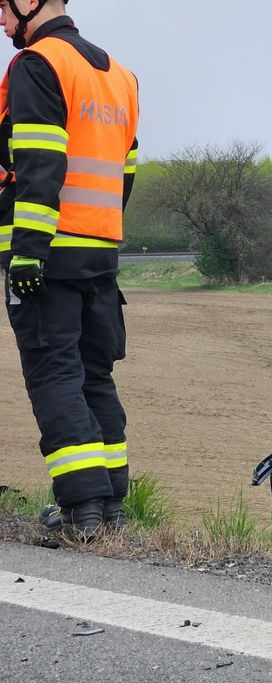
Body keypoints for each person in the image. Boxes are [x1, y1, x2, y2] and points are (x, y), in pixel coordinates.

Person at [0, 0, 139, 541]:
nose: (3, 23)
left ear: (30, 2)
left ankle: (82, 512)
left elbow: (41, 162)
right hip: (98, 255)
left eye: (5, 10)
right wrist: (97, 229)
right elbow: (126, 169)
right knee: (95, 375)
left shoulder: (38, 63)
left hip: (46, 254)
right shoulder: (121, 77)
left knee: (54, 375)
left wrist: (29, 252)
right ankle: (111, 509)